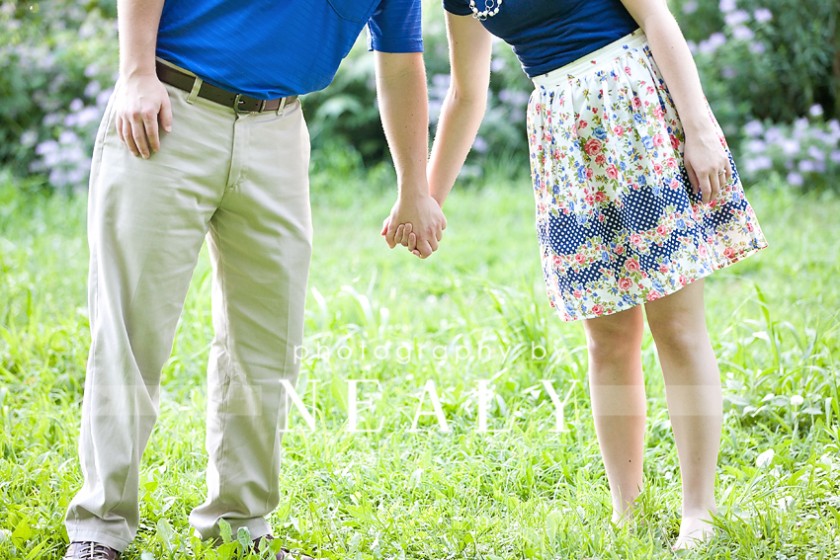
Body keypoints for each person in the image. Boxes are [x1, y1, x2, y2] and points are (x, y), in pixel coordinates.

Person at [62, 1, 446, 559]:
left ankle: (240, 526)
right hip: (169, 106)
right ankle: (101, 527)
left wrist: (415, 185)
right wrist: (136, 72)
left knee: (268, 340)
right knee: (131, 331)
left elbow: (401, 59)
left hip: (279, 130)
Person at [389, 0, 768, 550]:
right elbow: (467, 94)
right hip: (563, 138)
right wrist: (425, 197)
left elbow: (658, 18)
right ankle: (627, 511)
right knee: (608, 337)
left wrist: (700, 127)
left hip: (635, 110)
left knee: (678, 327)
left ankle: (699, 510)